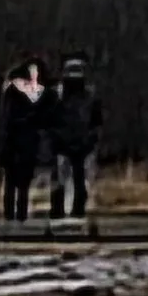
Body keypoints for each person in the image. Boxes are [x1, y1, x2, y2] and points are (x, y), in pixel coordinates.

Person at [46, 58, 100, 222]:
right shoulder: (57, 95)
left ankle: (77, 209)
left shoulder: (89, 96)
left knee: (80, 179)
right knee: (60, 179)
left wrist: (91, 141)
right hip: (62, 144)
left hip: (81, 144)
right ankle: (58, 209)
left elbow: (96, 121)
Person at [0, 61, 46, 226]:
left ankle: (11, 215)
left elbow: (6, 120)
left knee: (11, 183)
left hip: (12, 143)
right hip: (26, 144)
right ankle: (21, 215)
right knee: (22, 184)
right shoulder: (31, 93)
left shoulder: (10, 93)